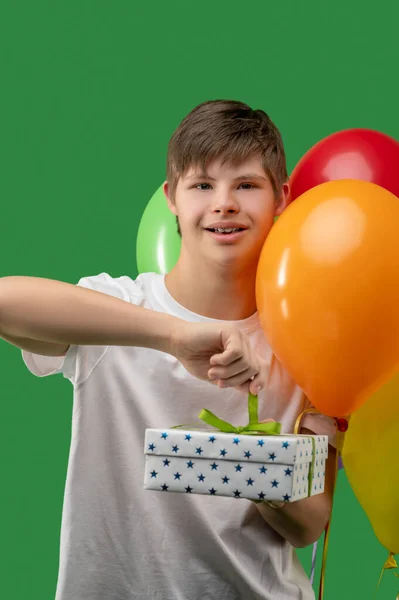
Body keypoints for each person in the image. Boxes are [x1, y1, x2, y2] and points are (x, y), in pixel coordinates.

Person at [0, 100, 336, 600]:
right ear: (172, 199)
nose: (224, 203)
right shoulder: (118, 309)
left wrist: (254, 468)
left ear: (281, 198)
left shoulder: (309, 338)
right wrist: (171, 337)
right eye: (202, 185)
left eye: (246, 184)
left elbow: (310, 525)